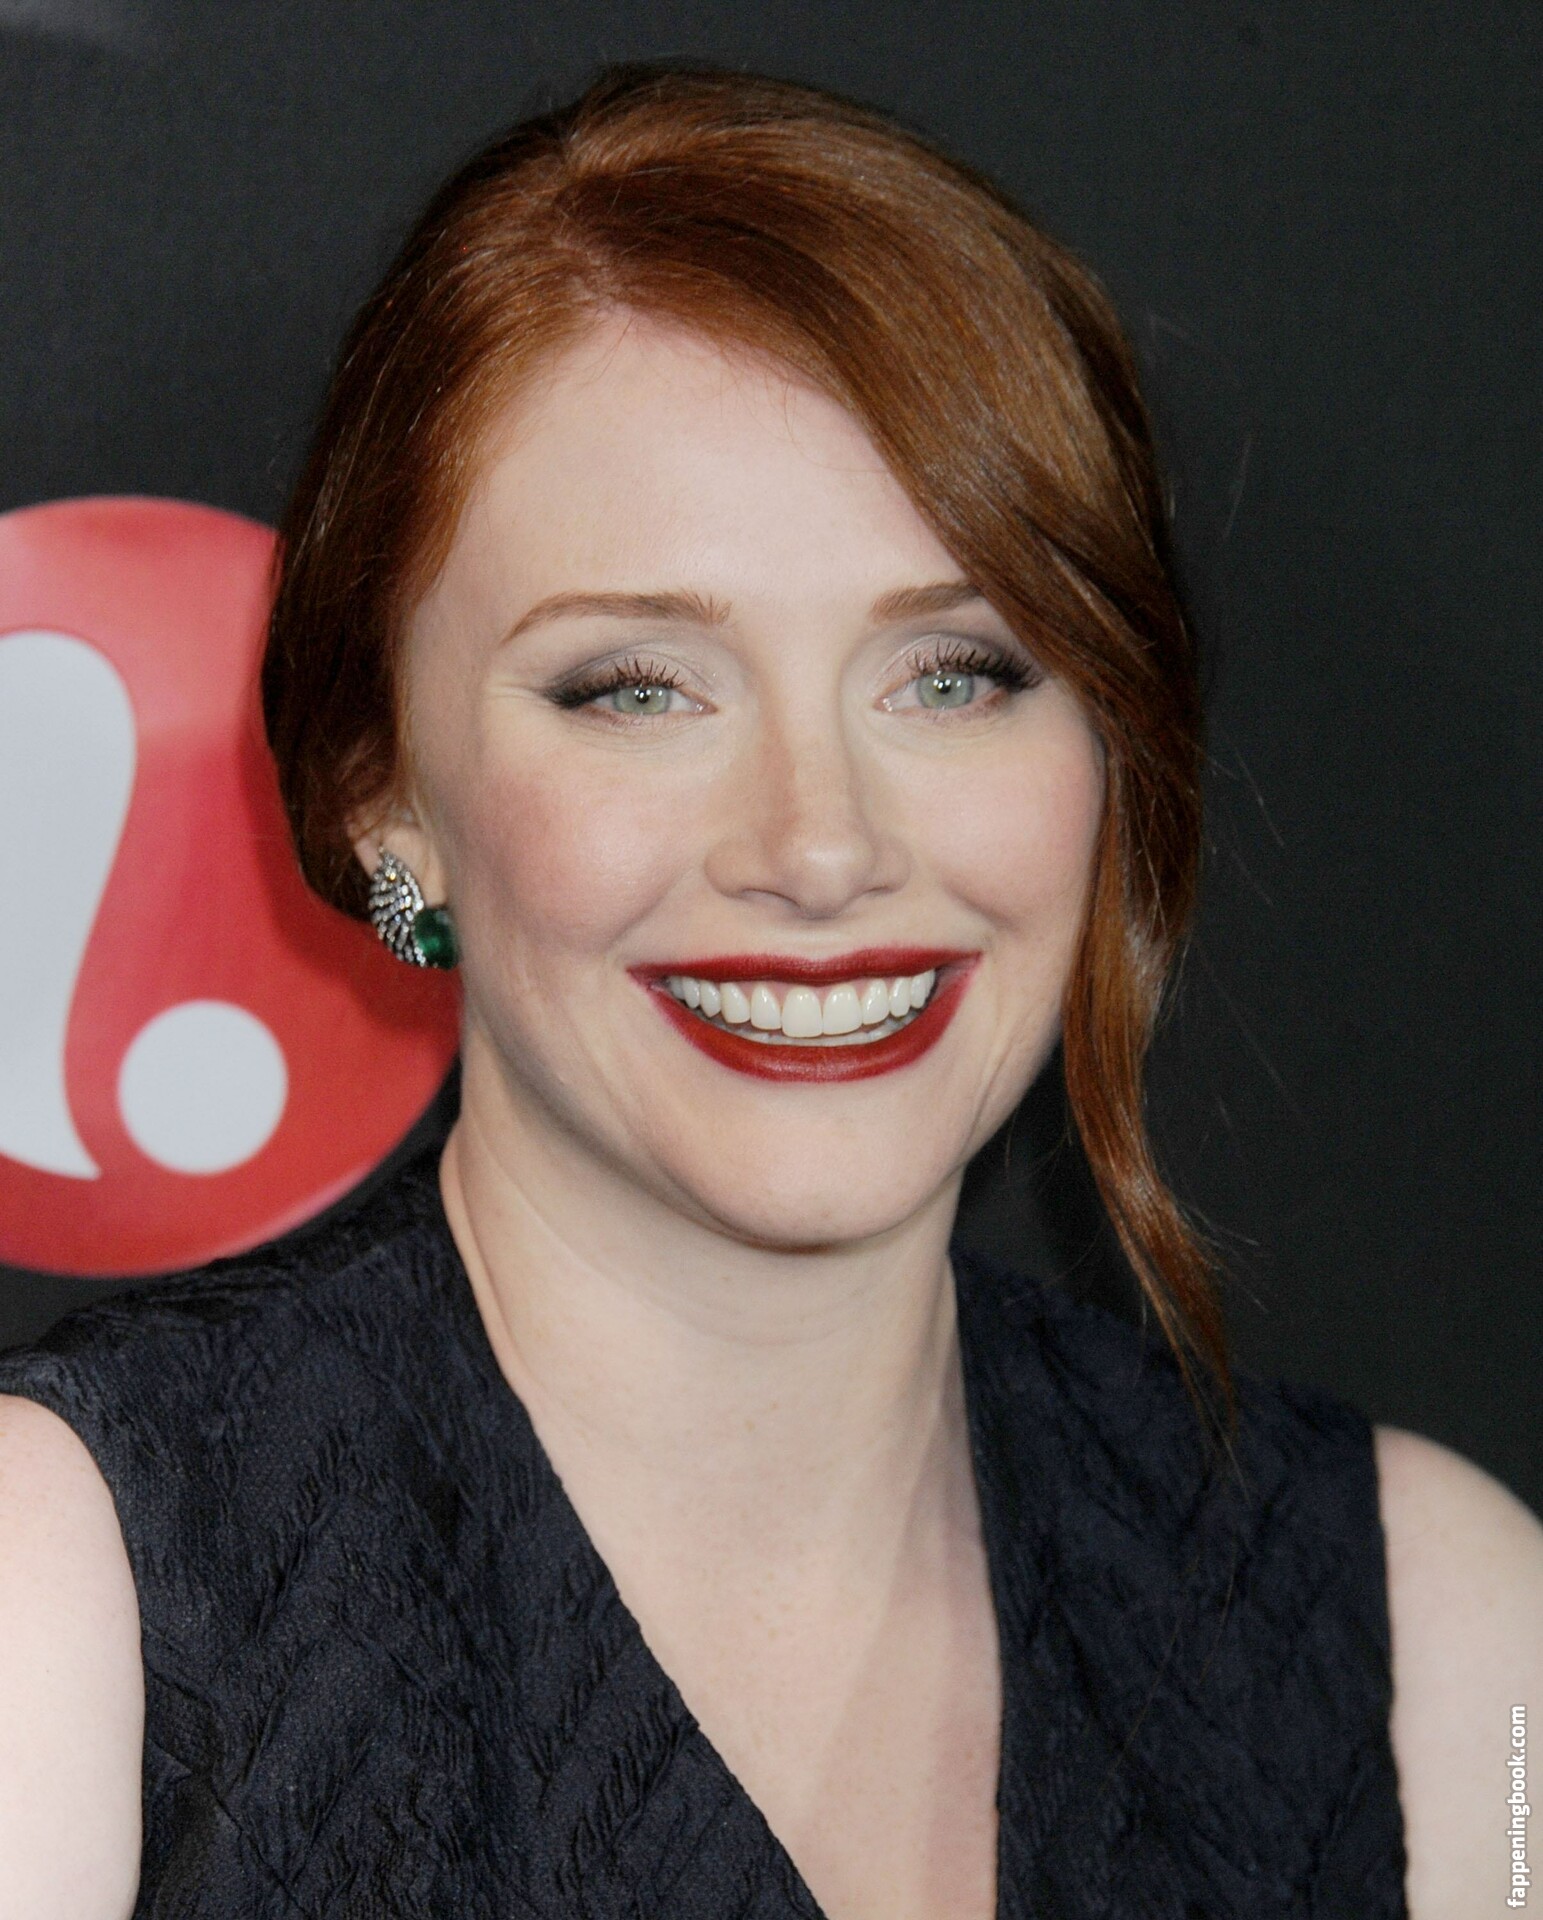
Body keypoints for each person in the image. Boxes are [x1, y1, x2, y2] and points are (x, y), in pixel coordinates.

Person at [0, 64, 1538, 1920]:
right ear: (379, 792)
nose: (819, 845)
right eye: (636, 688)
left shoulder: (1451, 1658)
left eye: (955, 674)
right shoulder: (62, 1601)